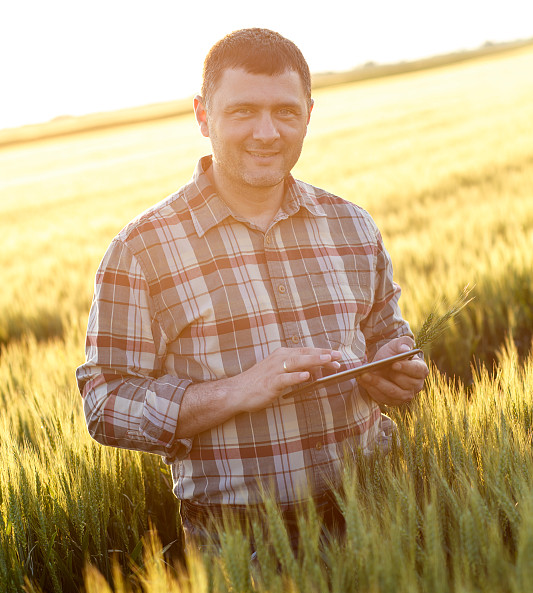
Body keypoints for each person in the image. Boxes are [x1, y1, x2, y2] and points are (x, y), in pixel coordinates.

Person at [76, 27, 428, 547]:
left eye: (285, 111)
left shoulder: (352, 225)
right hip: (241, 542)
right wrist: (238, 391)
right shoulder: (142, 250)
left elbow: (385, 331)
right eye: (243, 111)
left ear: (309, 113)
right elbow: (104, 403)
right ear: (203, 115)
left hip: (379, 510)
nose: (267, 132)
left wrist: (397, 363)